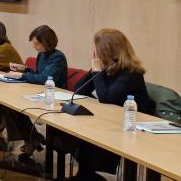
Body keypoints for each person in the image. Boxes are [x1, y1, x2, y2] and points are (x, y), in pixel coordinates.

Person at [56, 29, 155, 181]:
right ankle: (85, 175)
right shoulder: (106, 66)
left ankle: (88, 175)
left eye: (97, 49)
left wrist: (96, 71)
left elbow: (107, 97)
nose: (94, 52)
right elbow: (79, 90)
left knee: (89, 136)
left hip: (133, 125)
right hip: (111, 120)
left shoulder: (131, 72)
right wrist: (95, 70)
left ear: (108, 50)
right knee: (77, 131)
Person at [2, 25, 68, 160]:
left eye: (37, 43)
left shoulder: (58, 57)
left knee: (17, 107)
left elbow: (45, 79)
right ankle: (33, 138)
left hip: (55, 98)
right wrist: (24, 69)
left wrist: (20, 76)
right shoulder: (41, 55)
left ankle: (32, 139)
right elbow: (39, 75)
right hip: (40, 93)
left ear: (47, 41)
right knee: (10, 106)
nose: (34, 47)